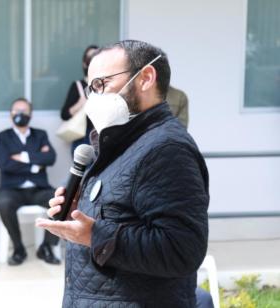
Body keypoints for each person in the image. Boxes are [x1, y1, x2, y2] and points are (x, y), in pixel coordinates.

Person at [37, 40, 209, 307]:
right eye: (90, 88)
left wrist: (95, 236)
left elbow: (181, 250)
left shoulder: (166, 148)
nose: (94, 98)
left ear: (146, 78)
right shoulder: (121, 143)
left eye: (101, 84)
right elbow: (120, 216)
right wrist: (80, 209)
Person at [0, 98, 60, 266]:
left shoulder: (40, 135)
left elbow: (50, 158)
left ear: (30, 115)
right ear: (10, 114)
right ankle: (18, 248)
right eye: (16, 111)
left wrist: (23, 157)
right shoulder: (1, 138)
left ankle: (46, 246)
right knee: (3, 203)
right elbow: (4, 164)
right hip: (12, 189)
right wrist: (36, 165)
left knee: (60, 201)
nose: (20, 114)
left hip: (39, 189)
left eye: (24, 111)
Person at [60, 45, 99, 156]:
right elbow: (64, 115)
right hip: (83, 136)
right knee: (82, 172)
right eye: (90, 56)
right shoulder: (78, 86)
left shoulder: (107, 84)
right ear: (84, 63)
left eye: (97, 55)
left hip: (103, 134)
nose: (94, 59)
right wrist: (80, 103)